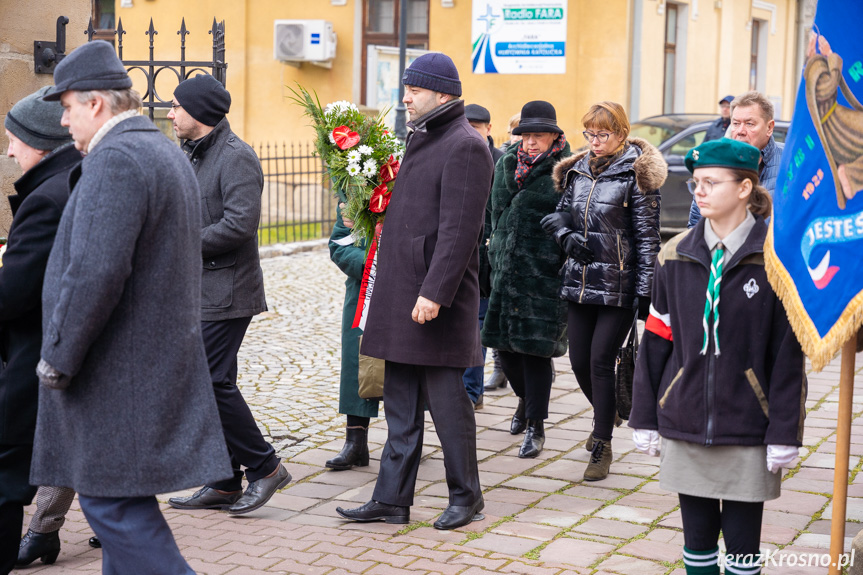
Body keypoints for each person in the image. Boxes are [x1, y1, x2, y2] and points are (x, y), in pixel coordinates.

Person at [31, 40, 232, 573]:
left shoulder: (118, 159)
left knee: (111, 505)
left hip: (118, 376)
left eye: (67, 106)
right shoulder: (158, 148)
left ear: (95, 104)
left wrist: (59, 357)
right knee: (117, 507)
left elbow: (95, 273)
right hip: (142, 369)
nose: (64, 120)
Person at [629, 138, 807, 575]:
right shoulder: (675, 255)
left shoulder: (775, 261)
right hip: (685, 420)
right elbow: (655, 342)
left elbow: (788, 356)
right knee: (697, 540)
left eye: (711, 182)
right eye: (695, 184)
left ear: (745, 187)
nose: (699, 192)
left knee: (744, 548)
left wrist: (785, 429)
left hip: (749, 426)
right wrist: (645, 415)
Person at [335, 52, 493, 530]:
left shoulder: (466, 144)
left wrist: (435, 294)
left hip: (431, 299)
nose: (405, 97)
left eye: (415, 89)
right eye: (406, 88)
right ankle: (391, 499)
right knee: (400, 402)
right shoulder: (421, 136)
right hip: (400, 291)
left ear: (443, 94)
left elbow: (460, 232)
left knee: (447, 405)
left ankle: (467, 497)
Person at [165, 74, 290, 515]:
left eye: (177, 106)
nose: (170, 112)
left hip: (228, 291)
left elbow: (239, 225)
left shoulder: (236, 158)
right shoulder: (190, 153)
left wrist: (179, 240)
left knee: (209, 381)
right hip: (198, 290)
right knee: (214, 382)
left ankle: (266, 467)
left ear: (199, 112)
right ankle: (222, 481)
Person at [543, 101, 664, 480]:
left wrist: (645, 292)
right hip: (579, 279)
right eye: (590, 134)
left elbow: (648, 238)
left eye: (603, 134)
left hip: (618, 284)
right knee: (578, 362)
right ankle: (605, 412)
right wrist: (565, 235)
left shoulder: (636, 175)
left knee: (600, 361)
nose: (595, 141)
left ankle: (602, 443)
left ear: (622, 134)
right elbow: (559, 213)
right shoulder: (577, 170)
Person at [0, 86, 80, 572]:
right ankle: (44, 535)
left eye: (14, 141)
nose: (9, 151)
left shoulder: (47, 198)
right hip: (53, 351)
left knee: (8, 477)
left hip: (35, 355)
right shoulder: (70, 180)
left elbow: (14, 296)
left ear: (41, 144)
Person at [481, 100, 571, 460]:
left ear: (553, 137)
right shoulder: (505, 163)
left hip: (542, 276)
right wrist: (489, 258)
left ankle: (536, 425)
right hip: (504, 271)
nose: (530, 143)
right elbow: (490, 214)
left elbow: (574, 219)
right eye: (525, 136)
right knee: (504, 349)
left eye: (538, 136)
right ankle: (523, 402)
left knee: (534, 353)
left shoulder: (565, 171)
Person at [325, 202, 379, 470]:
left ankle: (406, 440)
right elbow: (339, 244)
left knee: (405, 364)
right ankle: (355, 442)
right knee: (357, 364)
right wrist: (372, 265)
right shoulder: (356, 188)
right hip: (362, 291)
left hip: (407, 288)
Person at [688, 91, 784, 227]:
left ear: (769, 127)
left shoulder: (790, 161)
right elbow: (695, 225)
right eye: (736, 123)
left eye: (749, 124)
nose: (740, 131)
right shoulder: (716, 162)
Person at [462, 103, 505, 409]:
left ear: (489, 130)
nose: (471, 134)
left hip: (486, 259)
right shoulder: (456, 155)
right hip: (459, 255)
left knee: (477, 328)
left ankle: (471, 393)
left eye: (476, 128)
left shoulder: (501, 162)